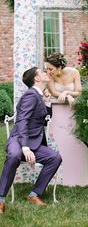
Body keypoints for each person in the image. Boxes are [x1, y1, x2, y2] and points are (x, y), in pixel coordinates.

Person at [0, 67, 62, 214]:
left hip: (34, 142)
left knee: (55, 158)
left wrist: (47, 102)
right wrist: (25, 147)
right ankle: (1, 199)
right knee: (14, 156)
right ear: (37, 78)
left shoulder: (39, 96)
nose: (46, 72)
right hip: (19, 139)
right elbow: (22, 121)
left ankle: (34, 194)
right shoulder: (31, 95)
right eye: (42, 72)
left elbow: (45, 121)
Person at [44, 53, 84, 186]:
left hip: (73, 114)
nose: (48, 72)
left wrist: (67, 93)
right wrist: (66, 96)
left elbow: (79, 91)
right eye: (47, 69)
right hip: (58, 116)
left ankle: (77, 177)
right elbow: (54, 92)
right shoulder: (50, 75)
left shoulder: (74, 72)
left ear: (59, 67)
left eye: (51, 69)